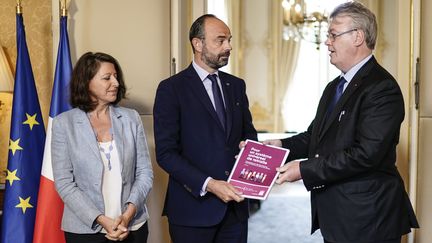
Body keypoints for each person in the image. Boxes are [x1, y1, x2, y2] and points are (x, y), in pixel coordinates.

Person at [263, 2, 419, 243]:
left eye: (333, 35)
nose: (327, 42)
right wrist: (280, 145)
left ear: (358, 37)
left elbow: (366, 154)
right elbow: (314, 136)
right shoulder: (334, 86)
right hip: (338, 214)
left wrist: (303, 170)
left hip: (368, 216)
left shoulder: (381, 88)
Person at [153, 14, 257, 243]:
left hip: (235, 211)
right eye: (220, 40)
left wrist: (250, 151)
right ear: (197, 43)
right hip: (192, 211)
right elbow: (166, 154)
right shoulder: (171, 89)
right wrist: (209, 184)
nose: (228, 46)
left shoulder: (236, 86)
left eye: (229, 40)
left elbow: (249, 136)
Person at [52, 52, 153, 243]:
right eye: (107, 78)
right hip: (84, 231)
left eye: (116, 77)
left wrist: (128, 215)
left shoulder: (131, 118)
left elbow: (145, 173)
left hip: (133, 226)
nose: (115, 83)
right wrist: (102, 220)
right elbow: (64, 183)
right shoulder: (63, 124)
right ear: (86, 82)